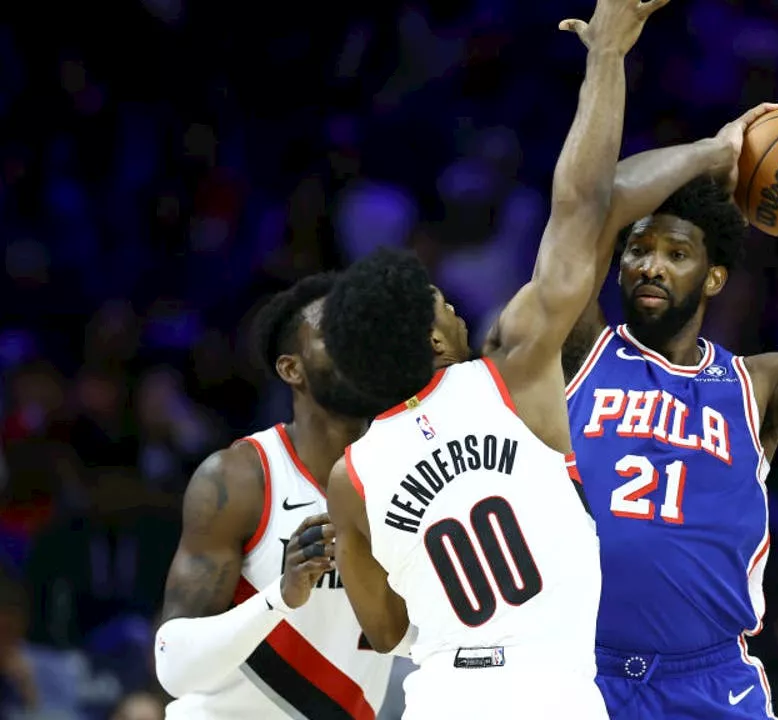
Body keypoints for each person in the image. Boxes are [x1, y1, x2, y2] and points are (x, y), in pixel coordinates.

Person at [320, 0, 668, 717]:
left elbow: (383, 631)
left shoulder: (349, 479)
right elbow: (579, 208)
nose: (456, 306)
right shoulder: (511, 374)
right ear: (434, 341)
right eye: (443, 303)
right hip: (553, 698)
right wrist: (606, 57)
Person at [559, 112, 778, 717]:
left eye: (677, 253)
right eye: (639, 249)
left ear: (714, 279)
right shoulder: (580, 349)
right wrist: (710, 152)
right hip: (580, 669)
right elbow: (596, 199)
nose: (651, 265)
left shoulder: (756, 385)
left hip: (707, 680)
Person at [154, 274, 401, 720]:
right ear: (291, 369)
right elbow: (173, 669)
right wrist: (280, 597)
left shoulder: (405, 476)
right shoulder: (241, 479)